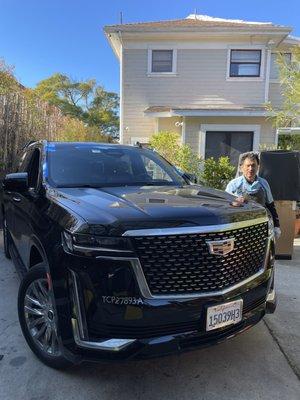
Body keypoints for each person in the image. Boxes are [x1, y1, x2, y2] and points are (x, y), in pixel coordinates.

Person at [226, 152, 281, 239]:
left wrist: (276, 226)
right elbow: (224, 206)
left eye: (253, 165)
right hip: (239, 227)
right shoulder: (233, 185)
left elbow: (271, 206)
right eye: (247, 165)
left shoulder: (263, 183)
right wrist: (233, 204)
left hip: (260, 225)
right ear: (241, 167)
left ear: (258, 167)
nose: (250, 169)